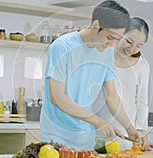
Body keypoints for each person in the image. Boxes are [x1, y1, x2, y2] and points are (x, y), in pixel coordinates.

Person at [40, 0, 142, 150]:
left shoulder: (107, 53)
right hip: (56, 137)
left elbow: (111, 96)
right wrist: (98, 121)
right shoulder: (62, 47)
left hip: (85, 138)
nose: (112, 44)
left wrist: (130, 128)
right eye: (109, 37)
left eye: (116, 39)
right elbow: (57, 97)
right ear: (95, 26)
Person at [94, 17, 153, 151]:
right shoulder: (101, 56)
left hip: (126, 134)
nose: (132, 48)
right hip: (97, 129)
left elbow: (142, 102)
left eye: (139, 46)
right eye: (129, 41)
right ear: (120, 34)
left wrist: (143, 133)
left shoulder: (141, 65)